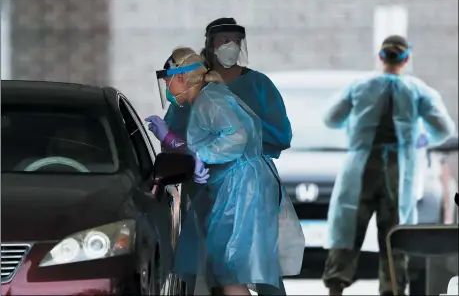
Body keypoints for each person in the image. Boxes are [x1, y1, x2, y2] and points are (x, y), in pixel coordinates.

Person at [149, 18, 298, 295]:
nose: (229, 46)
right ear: (209, 45)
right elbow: (190, 144)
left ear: (182, 77)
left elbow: (239, 137)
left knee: (243, 267)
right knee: (224, 268)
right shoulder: (203, 97)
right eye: (222, 40)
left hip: (240, 189)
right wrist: (171, 139)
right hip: (217, 190)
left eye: (234, 40)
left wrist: (202, 157)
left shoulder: (216, 96)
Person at [321, 35, 456, 296]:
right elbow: (443, 128)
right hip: (399, 170)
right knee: (395, 232)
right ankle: (393, 287)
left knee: (348, 227)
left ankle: (336, 284)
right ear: (406, 59)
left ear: (380, 57)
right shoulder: (418, 91)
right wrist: (420, 139)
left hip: (359, 167)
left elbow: (331, 118)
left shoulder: (359, 86)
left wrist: (355, 127)